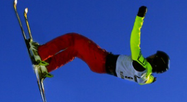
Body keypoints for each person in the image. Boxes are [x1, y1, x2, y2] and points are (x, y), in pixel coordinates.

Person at [34, 6, 169, 84]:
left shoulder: (142, 65)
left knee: (73, 38)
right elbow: (151, 80)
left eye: (154, 56)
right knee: (74, 50)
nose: (151, 55)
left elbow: (134, 42)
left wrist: (140, 18)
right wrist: (153, 79)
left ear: (155, 60)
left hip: (101, 59)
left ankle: (41, 53)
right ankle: (47, 67)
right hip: (101, 68)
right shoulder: (145, 78)